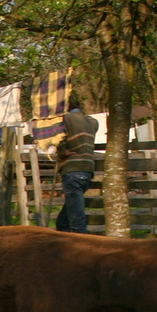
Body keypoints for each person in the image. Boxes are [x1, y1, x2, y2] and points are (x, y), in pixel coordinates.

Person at [55, 96, 99, 232]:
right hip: (87, 168)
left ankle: (81, 244)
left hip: (72, 168)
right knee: (63, 222)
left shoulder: (65, 120)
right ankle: (63, 240)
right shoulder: (91, 122)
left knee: (76, 220)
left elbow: (58, 139)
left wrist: (62, 151)